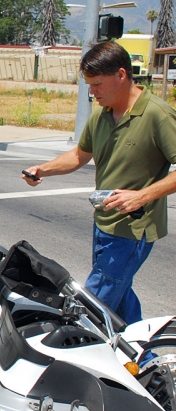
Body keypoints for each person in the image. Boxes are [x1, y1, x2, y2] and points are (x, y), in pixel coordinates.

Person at [23, 40, 176, 324]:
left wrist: (141, 196)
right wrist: (43, 169)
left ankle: (73, 356)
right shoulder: (102, 115)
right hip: (104, 223)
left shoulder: (157, 114)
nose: (92, 93)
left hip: (133, 228)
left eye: (97, 84)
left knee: (93, 303)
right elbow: (80, 155)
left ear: (121, 75)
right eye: (89, 85)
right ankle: (140, 359)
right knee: (120, 295)